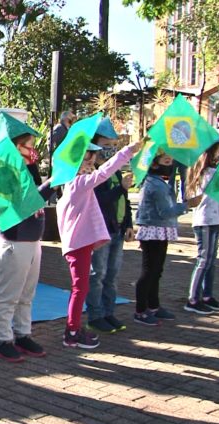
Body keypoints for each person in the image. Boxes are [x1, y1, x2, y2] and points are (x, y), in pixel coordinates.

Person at [56, 137, 140, 349]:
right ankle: (72, 332)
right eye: (84, 161)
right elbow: (104, 173)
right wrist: (128, 151)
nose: (89, 165)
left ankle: (73, 328)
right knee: (80, 288)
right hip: (77, 245)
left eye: (91, 161)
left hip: (81, 244)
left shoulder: (75, 185)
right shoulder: (77, 184)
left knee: (81, 288)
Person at [0, 113, 55, 363]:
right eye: (28, 145)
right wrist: (53, 182)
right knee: (9, 295)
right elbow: (25, 203)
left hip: (32, 240)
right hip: (14, 242)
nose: (32, 150)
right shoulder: (2, 174)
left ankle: (23, 333)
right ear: (14, 147)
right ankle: (3, 339)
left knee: (27, 293)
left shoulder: (29, 169)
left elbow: (37, 198)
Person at [84, 118, 134, 334]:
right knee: (98, 274)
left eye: (114, 145)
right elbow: (100, 200)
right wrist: (120, 189)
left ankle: (108, 311)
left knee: (112, 274)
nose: (111, 150)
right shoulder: (91, 172)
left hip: (117, 229)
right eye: (107, 145)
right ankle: (95, 315)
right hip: (99, 231)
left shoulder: (115, 171)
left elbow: (125, 200)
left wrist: (129, 223)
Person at [133, 150, 187, 325]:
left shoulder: (158, 183)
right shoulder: (154, 185)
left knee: (157, 271)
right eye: (166, 161)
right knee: (149, 271)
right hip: (152, 230)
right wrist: (185, 206)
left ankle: (154, 306)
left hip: (159, 229)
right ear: (155, 164)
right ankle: (140, 311)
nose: (170, 165)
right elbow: (165, 212)